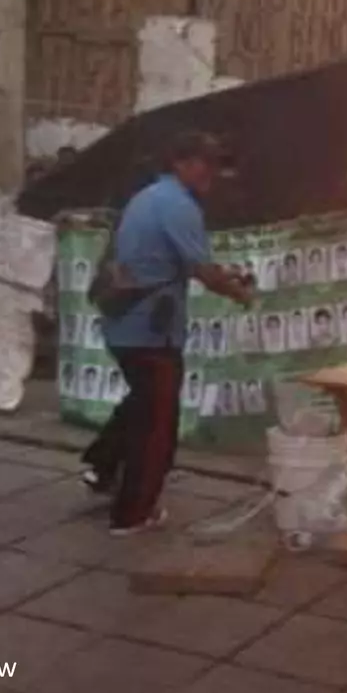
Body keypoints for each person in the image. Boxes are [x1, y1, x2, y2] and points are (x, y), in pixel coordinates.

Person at [79, 133, 253, 532]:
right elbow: (205, 273)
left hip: (126, 322)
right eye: (204, 163)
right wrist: (240, 293)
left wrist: (218, 275)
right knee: (156, 425)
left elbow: (181, 263)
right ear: (180, 163)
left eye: (214, 164)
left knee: (141, 402)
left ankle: (103, 468)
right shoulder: (179, 206)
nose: (212, 172)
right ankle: (132, 513)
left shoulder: (149, 196)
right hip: (149, 331)